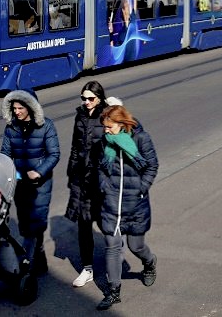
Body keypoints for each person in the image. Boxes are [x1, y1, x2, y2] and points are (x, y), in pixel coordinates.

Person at [96, 104, 159, 310]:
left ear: (122, 124)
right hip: (112, 204)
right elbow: (101, 168)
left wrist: (142, 188)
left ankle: (149, 263)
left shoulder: (141, 139)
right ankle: (114, 292)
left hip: (135, 204)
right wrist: (104, 186)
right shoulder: (105, 142)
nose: (106, 131)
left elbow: (152, 165)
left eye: (109, 127)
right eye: (104, 127)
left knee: (135, 246)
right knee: (112, 247)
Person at [65, 81, 123, 289]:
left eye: (91, 98)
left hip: (101, 180)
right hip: (82, 179)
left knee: (105, 223)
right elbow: (75, 146)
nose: (87, 102)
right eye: (84, 98)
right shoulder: (80, 115)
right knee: (83, 224)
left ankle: (115, 257)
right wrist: (72, 171)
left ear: (100, 97)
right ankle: (87, 269)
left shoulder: (107, 115)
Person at [0, 89, 60, 275]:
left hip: (39, 184)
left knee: (36, 224)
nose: (16, 112)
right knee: (26, 225)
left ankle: (29, 267)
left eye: (20, 108)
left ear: (30, 107)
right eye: (14, 108)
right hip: (20, 183)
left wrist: (39, 172)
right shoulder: (11, 128)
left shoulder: (46, 126)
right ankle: (39, 260)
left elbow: (54, 154)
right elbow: (5, 153)